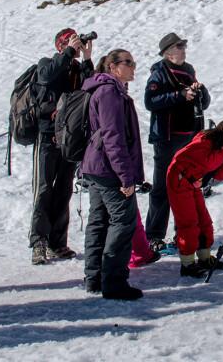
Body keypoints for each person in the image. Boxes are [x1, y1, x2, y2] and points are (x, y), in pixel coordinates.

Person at [81, 49, 145, 300]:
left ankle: (94, 278)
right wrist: (125, 177)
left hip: (97, 167)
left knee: (99, 222)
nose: (133, 67)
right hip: (108, 169)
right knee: (122, 222)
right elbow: (113, 138)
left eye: (133, 61)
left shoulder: (106, 89)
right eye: (127, 62)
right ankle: (114, 282)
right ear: (112, 67)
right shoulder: (109, 92)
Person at [29, 28, 94, 265]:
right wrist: (67, 52)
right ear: (61, 45)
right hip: (46, 136)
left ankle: (58, 242)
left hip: (69, 138)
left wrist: (86, 58)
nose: (76, 44)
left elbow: (90, 87)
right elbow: (46, 77)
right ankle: (38, 243)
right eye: (70, 41)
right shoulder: (47, 63)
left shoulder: (76, 68)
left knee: (64, 190)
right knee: (44, 189)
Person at [143, 32, 210, 253]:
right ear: (168, 52)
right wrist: (180, 95)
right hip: (167, 137)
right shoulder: (159, 72)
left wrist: (201, 92)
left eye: (184, 45)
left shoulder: (189, 70)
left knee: (186, 188)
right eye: (180, 46)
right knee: (162, 187)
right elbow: (150, 102)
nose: (184, 49)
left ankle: (184, 233)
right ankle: (153, 236)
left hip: (188, 137)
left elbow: (204, 104)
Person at [167, 120, 223, 278]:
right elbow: (208, 163)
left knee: (204, 221)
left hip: (193, 181)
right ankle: (187, 264)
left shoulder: (220, 148)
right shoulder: (205, 140)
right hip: (179, 179)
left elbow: (220, 175)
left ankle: (204, 258)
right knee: (188, 223)